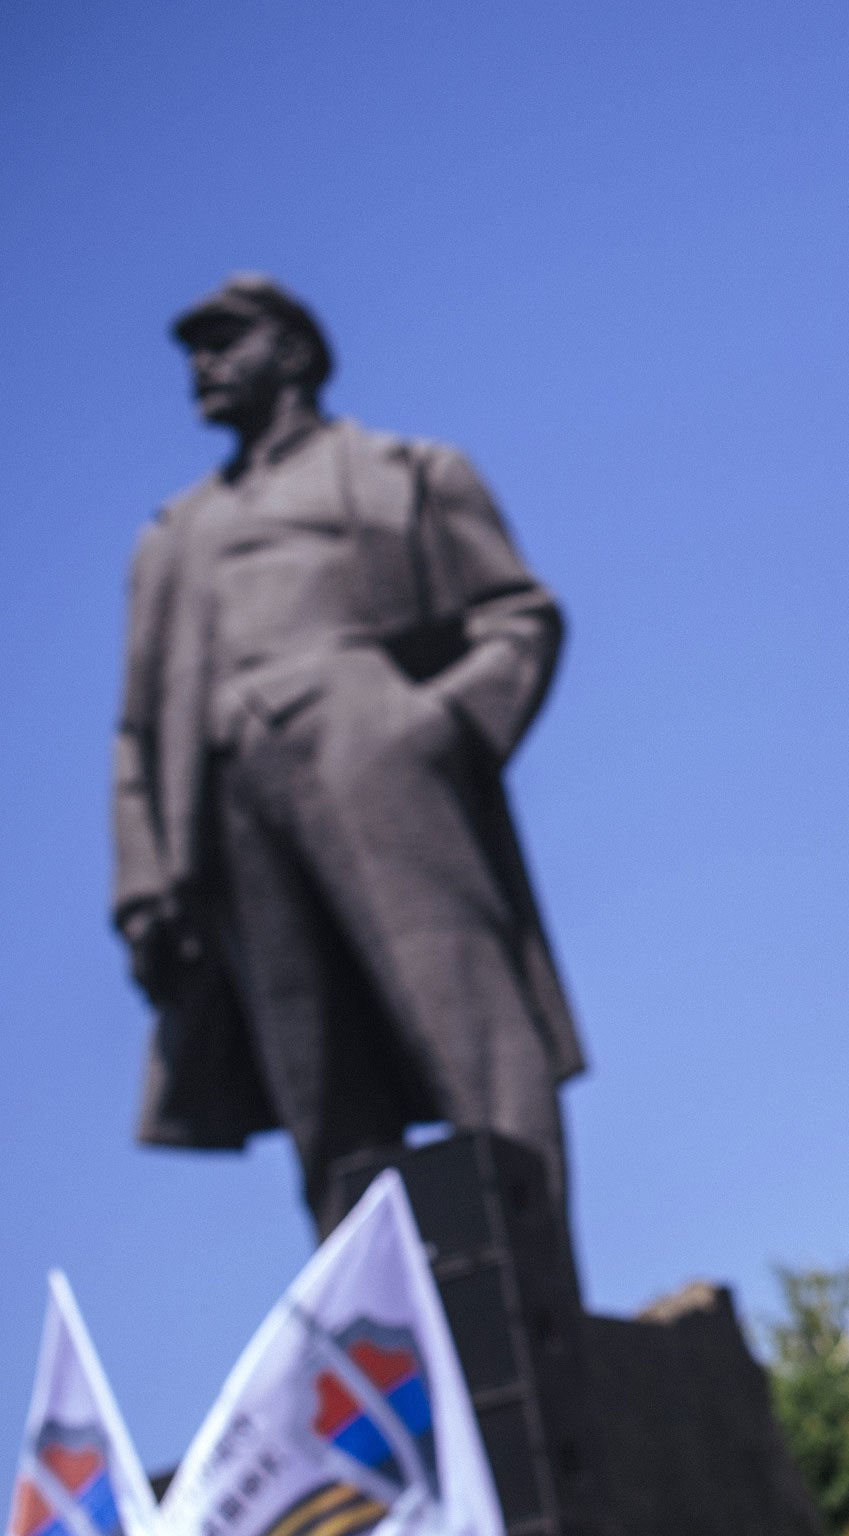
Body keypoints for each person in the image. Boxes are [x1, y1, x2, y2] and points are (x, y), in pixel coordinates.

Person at [114, 274, 583, 1233]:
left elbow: (518, 618)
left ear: (293, 350)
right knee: (315, 1080)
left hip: (373, 748)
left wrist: (436, 723)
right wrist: (144, 880)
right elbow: (137, 726)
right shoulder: (172, 538)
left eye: (224, 342)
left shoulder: (403, 470)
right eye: (194, 350)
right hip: (228, 800)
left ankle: (531, 1293)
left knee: (470, 1028)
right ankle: (377, 1336)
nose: (201, 366)